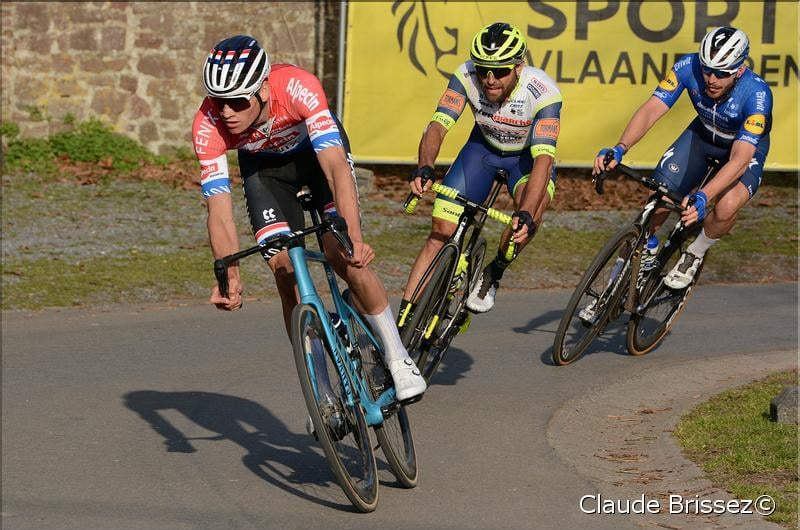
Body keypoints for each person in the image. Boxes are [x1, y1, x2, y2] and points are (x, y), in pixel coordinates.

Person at [191, 35, 426, 402]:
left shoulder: (298, 87)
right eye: (218, 101)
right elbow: (219, 212)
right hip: (266, 174)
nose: (226, 112)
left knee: (343, 256)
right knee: (284, 272)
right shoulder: (208, 126)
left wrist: (354, 237)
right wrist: (229, 277)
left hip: (316, 162)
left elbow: (335, 169)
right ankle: (322, 392)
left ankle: (398, 357)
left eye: (237, 102)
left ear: (264, 91)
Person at [400, 22, 562, 319]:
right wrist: (424, 167)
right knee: (440, 230)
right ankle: (404, 320)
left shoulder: (543, 92)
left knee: (528, 220)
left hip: (525, 159)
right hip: (482, 150)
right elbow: (437, 125)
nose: (489, 79)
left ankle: (494, 272)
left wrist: (524, 212)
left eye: (499, 71)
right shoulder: (465, 76)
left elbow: (543, 160)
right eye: (483, 69)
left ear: (519, 67)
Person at [593, 26, 772, 291]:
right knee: (660, 198)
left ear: (740, 70)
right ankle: (618, 283)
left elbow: (740, 159)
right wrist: (620, 147)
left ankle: (695, 253)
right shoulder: (688, 66)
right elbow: (653, 108)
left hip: (741, 150)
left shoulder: (757, 95)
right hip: (701, 137)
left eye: (722, 73)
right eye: (707, 70)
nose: (712, 79)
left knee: (725, 207)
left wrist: (704, 196)